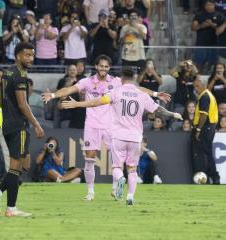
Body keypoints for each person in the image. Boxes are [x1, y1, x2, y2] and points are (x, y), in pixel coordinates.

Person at [42, 55, 170, 201]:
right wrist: (52, 95)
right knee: (89, 158)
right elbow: (68, 89)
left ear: (109, 68)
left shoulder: (115, 82)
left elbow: (136, 89)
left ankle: (116, 188)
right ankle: (90, 192)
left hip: (111, 125)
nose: (103, 69)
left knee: (116, 159)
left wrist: (155, 94)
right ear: (96, 66)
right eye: (101, 66)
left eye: (106, 66)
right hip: (92, 125)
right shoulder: (88, 82)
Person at [0, 42, 44, 217]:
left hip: (8, 124)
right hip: (18, 125)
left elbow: (0, 101)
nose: (30, 58)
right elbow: (22, 104)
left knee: (22, 164)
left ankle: (3, 199)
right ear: (18, 55)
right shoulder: (20, 76)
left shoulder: (7, 73)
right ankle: (6, 203)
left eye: (32, 55)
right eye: (27, 55)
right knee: (15, 167)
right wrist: (36, 124)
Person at [191, 74, 220, 184]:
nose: (195, 89)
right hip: (209, 127)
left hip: (206, 127)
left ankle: (211, 176)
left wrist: (198, 130)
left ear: (203, 85)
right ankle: (212, 176)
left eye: (197, 86)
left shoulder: (205, 96)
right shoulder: (207, 94)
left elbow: (203, 116)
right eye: (194, 87)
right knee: (206, 152)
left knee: (205, 153)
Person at [191, 0, 223, 72]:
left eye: (210, 5)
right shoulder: (199, 15)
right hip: (201, 45)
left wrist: (211, 25)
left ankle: (213, 80)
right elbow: (193, 28)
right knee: (199, 65)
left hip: (214, 45)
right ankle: (198, 79)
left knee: (214, 65)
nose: (208, 6)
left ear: (214, 5)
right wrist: (202, 26)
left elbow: (221, 29)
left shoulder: (219, 15)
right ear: (205, 6)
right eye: (207, 5)